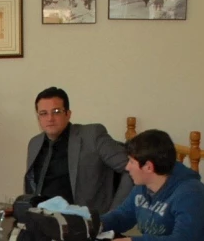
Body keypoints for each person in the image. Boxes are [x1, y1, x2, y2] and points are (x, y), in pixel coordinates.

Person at [98, 129, 204, 241]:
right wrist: (95, 225)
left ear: (148, 167)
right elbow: (123, 216)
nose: (127, 167)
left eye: (131, 162)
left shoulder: (191, 194)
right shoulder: (143, 186)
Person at [24, 87, 130, 215]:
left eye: (56, 111)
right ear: (38, 117)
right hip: (44, 219)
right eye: (43, 113)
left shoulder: (92, 136)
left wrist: (115, 213)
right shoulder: (34, 143)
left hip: (82, 221)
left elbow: (131, 169)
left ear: (68, 114)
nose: (50, 118)